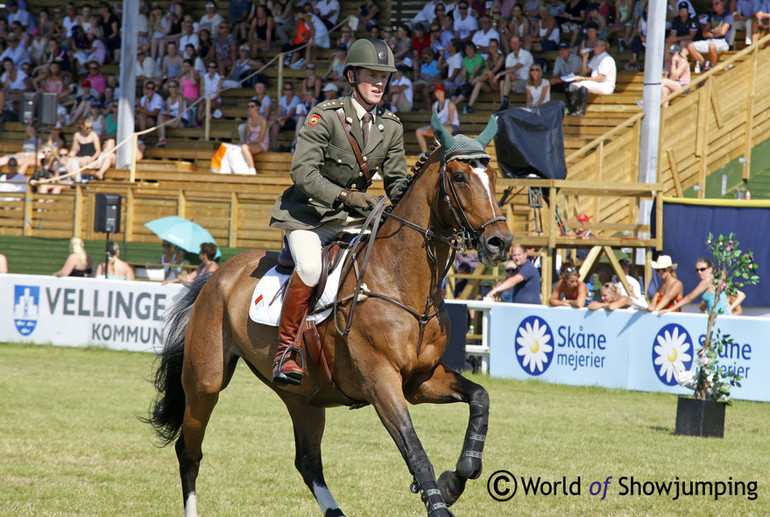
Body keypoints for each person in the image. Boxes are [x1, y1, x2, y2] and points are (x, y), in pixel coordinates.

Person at [266, 39, 409, 386]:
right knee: (312, 267)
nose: (379, 83)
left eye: (384, 77)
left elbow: (397, 183)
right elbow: (303, 173)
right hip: (308, 216)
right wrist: (346, 196)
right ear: (351, 75)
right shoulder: (326, 116)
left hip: (355, 219)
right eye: (371, 75)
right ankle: (287, 351)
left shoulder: (390, 126)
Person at [661, 257, 743, 315]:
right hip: (720, 318)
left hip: (717, 319)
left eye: (702, 269)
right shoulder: (717, 281)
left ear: (710, 269)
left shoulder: (707, 281)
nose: (699, 272)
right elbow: (741, 295)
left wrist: (670, 309)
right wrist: (730, 309)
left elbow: (689, 298)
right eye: (697, 270)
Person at [566, 38, 616, 116]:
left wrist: (583, 78)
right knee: (572, 85)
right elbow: (584, 71)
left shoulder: (607, 59)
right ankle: (573, 109)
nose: (594, 47)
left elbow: (599, 78)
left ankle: (581, 110)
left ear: (604, 47)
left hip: (606, 85)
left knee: (583, 85)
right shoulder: (596, 57)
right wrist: (585, 58)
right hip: (596, 83)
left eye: (596, 45)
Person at [687, 0, 732, 71]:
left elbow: (722, 33)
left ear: (722, 3)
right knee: (690, 46)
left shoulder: (728, 15)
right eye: (713, 4)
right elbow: (704, 33)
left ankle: (713, 70)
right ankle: (706, 66)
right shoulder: (712, 15)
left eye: (717, 3)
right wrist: (715, 32)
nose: (715, 6)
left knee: (711, 46)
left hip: (723, 42)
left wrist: (711, 31)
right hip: (710, 40)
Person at [416, 83, 459, 155]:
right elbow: (435, 119)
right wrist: (433, 126)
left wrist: (438, 126)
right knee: (419, 131)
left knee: (438, 131)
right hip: (439, 126)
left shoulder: (450, 104)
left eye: (440, 92)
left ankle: (437, 154)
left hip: (452, 126)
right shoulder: (434, 105)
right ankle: (424, 153)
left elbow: (451, 120)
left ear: (444, 92)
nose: (438, 94)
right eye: (437, 92)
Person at [498, 35, 533, 110]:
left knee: (503, 84)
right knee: (502, 82)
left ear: (520, 43)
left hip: (526, 81)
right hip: (516, 81)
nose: (514, 44)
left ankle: (504, 104)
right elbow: (509, 70)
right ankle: (504, 103)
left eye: (516, 42)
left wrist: (500, 74)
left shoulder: (526, 54)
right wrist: (510, 73)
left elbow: (516, 67)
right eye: (512, 42)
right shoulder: (509, 56)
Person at [240, 97, 268, 174]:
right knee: (239, 147)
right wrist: (246, 141)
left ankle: (252, 169)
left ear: (257, 107)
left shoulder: (263, 120)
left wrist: (249, 143)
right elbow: (248, 135)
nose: (250, 108)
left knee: (244, 147)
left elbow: (262, 138)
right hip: (252, 142)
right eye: (249, 106)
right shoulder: (249, 120)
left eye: (252, 106)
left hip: (261, 143)